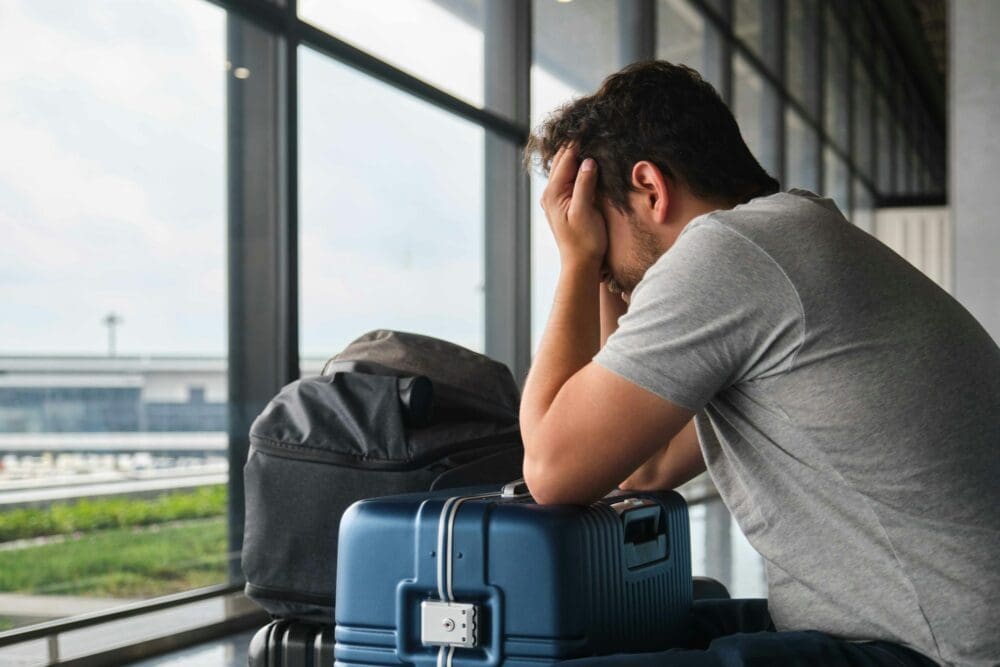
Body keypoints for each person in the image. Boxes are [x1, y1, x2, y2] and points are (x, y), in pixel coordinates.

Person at [519, 60, 999, 666]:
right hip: (942, 626)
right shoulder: (791, 237)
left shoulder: (729, 253)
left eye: (592, 216)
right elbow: (644, 467)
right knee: (592, 630)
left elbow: (552, 471)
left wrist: (579, 262)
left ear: (650, 188)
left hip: (939, 650)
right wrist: (608, 269)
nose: (583, 234)